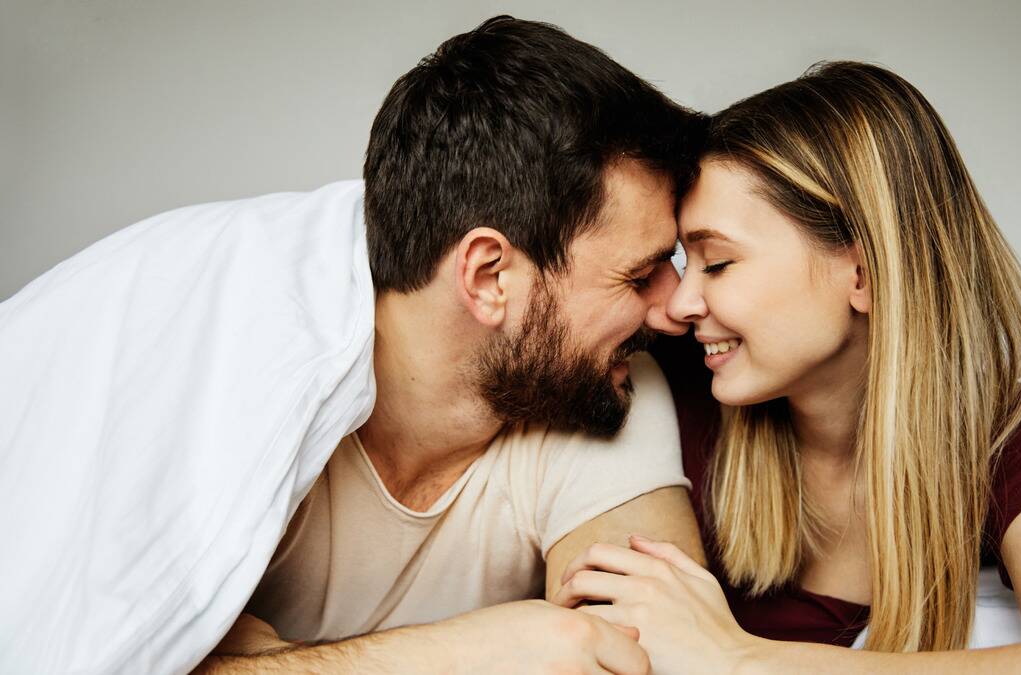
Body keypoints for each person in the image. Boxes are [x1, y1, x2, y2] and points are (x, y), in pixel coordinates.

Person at [0, 15, 704, 675]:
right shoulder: (235, 368)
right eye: (640, 274)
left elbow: (656, 659)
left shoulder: (592, 379)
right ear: (489, 275)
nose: (679, 307)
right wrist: (467, 652)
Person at [552, 61, 1021, 673]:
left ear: (863, 272)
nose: (680, 305)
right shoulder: (670, 390)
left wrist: (740, 658)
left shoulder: (1003, 440)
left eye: (717, 264)